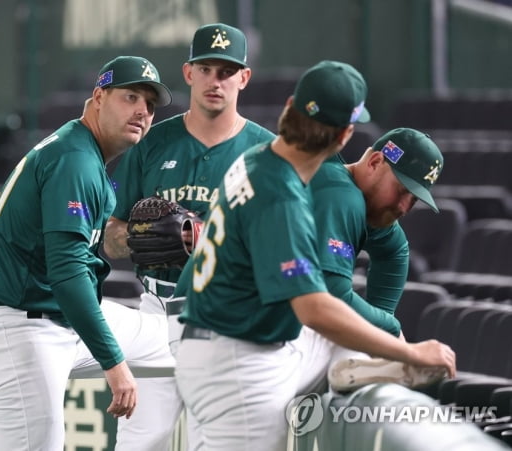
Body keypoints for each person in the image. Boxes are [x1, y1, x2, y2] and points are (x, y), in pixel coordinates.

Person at [174, 60, 456, 451]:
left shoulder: (256, 158)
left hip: (207, 343)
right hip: (237, 363)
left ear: (290, 107)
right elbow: (316, 307)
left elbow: (389, 250)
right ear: (346, 136)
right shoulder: (288, 195)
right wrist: (405, 350)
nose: (407, 206)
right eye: (403, 191)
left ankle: (353, 368)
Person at [0, 56, 176, 451]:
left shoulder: (84, 152)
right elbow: (67, 273)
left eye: (149, 104)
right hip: (20, 329)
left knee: (174, 339)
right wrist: (115, 365)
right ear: (98, 97)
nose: (143, 111)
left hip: (54, 317)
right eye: (131, 97)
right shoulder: (75, 160)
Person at [103, 23, 275, 450]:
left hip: (228, 319)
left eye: (226, 71)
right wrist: (141, 237)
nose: (215, 81)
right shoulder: (151, 143)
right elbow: (109, 236)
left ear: (244, 78)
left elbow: (284, 248)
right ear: (188, 73)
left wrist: (209, 241)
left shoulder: (267, 155)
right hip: (155, 312)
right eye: (206, 69)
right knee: (140, 441)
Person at [304, 126, 447, 392]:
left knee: (353, 339)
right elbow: (330, 296)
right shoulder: (340, 194)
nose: (404, 207)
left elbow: (395, 250)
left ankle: (359, 367)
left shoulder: (356, 197)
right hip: (239, 325)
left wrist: (381, 328)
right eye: (401, 189)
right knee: (341, 331)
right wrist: (392, 332)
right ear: (374, 161)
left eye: (413, 199)